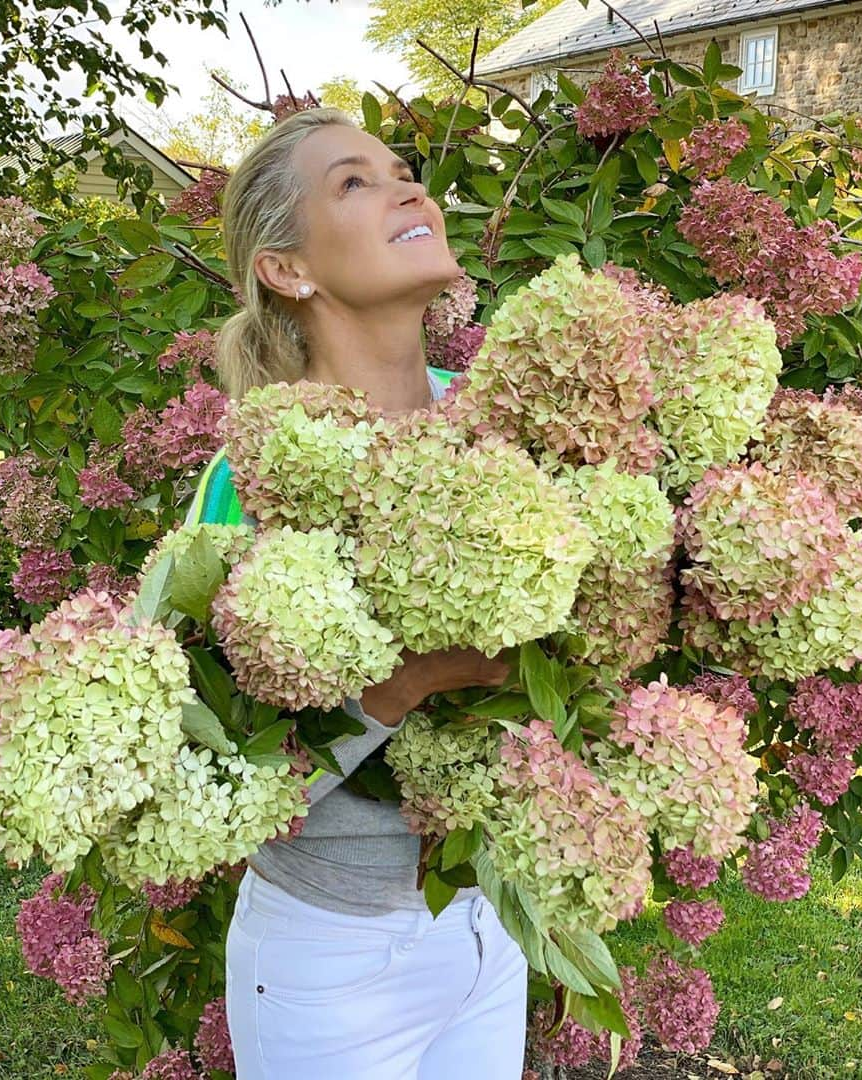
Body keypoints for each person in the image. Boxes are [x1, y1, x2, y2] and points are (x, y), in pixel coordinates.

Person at [185, 107, 529, 1079]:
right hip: (331, 964)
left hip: (487, 931)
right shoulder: (255, 475)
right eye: (353, 182)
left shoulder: (502, 425)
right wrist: (403, 683)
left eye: (402, 171)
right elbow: (210, 789)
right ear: (287, 269)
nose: (409, 189)